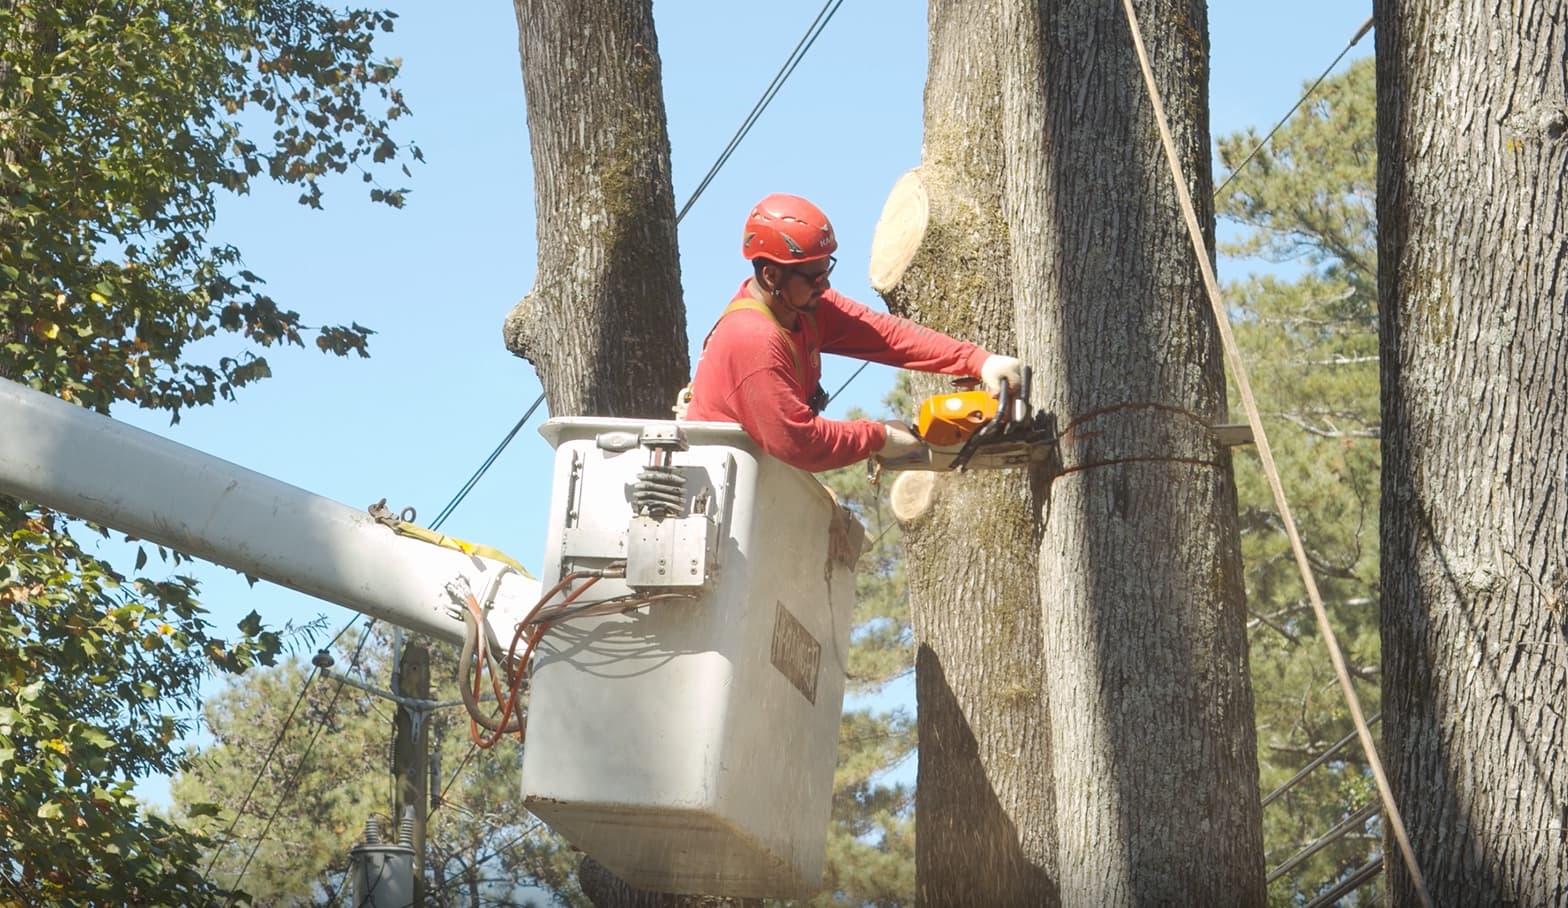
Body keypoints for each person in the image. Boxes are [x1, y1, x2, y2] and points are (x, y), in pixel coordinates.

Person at [682, 192, 1022, 472]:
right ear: (772, 276)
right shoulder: (753, 339)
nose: (825, 284)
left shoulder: (804, 309)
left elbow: (886, 335)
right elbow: (798, 442)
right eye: (814, 277)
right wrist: (878, 437)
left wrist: (978, 361)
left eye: (826, 269)